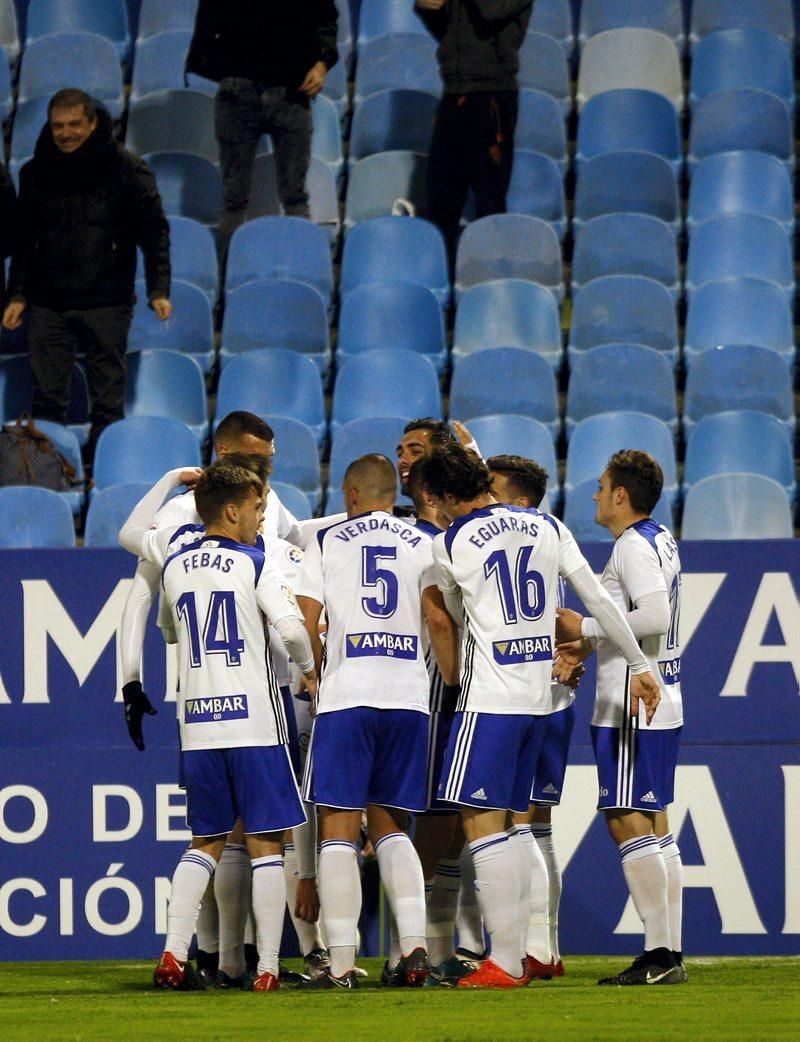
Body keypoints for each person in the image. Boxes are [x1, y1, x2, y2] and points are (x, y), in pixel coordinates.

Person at [416, 444, 662, 988]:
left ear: (445, 497)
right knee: (517, 825)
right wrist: (641, 663)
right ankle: (525, 951)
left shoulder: (449, 542)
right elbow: (598, 599)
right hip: (541, 701)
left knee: (484, 824)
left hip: (491, 701)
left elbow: (451, 620)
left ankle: (505, 960)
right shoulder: (547, 526)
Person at [119, 461, 318, 991]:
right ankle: (270, 969)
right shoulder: (256, 562)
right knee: (267, 845)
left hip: (200, 726)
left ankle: (171, 956)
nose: (260, 518)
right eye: (256, 508)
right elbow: (294, 631)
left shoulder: (176, 560)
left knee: (203, 842)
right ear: (233, 510)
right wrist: (308, 668)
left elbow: (136, 542)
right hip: (256, 724)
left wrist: (165, 480)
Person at [295, 454, 460, 989]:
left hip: (349, 696)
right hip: (408, 699)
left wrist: (314, 671)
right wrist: (455, 682)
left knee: (338, 829)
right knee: (392, 827)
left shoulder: (326, 540)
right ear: (395, 495)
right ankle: (414, 952)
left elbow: (305, 618)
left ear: (351, 495)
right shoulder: (426, 542)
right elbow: (439, 617)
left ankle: (341, 963)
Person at [556, 450, 686, 986]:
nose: (593, 495)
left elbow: (652, 617)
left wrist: (584, 629)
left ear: (620, 496)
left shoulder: (632, 547)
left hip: (634, 700)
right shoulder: (659, 538)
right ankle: (669, 950)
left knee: (625, 819)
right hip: (660, 693)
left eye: (601, 486)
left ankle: (659, 953)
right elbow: (644, 620)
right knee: (656, 825)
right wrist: (587, 648)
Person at [2, 88, 171, 460]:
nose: (66, 133)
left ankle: (105, 474)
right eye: (59, 125)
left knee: (108, 404)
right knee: (47, 402)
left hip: (107, 302)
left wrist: (159, 289)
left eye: (75, 124)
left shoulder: (129, 169)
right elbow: (24, 240)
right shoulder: (34, 172)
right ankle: (49, 479)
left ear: (93, 123)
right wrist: (17, 295)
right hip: (48, 304)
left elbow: (154, 231)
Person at [487, 454, 576, 980]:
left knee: (520, 825)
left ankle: (535, 949)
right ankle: (545, 948)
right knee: (535, 827)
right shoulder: (546, 537)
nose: (483, 499)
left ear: (520, 503)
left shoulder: (524, 536)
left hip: (533, 697)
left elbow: (565, 620)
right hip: (548, 696)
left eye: (492, 490)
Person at [185, 0, 339, 247]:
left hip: (291, 91)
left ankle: (300, 270)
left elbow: (325, 19)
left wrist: (321, 65)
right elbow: (209, 20)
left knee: (294, 196)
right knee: (236, 197)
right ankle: (229, 276)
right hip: (240, 88)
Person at [415, 0, 532, 265]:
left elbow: (491, 12)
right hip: (454, 91)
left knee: (489, 197)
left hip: (493, 95)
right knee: (440, 198)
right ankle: (442, 283)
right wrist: (429, 10)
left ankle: (490, 281)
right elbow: (450, 34)